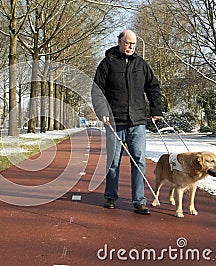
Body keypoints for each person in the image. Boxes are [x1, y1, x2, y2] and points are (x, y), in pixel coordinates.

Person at [91, 29, 163, 214]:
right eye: (127, 43)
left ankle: (139, 201)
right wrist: (102, 112)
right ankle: (110, 197)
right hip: (114, 121)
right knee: (113, 161)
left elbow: (153, 87)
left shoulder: (141, 64)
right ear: (119, 42)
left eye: (133, 44)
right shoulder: (107, 63)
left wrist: (156, 109)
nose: (130, 46)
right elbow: (97, 90)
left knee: (139, 161)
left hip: (137, 121)